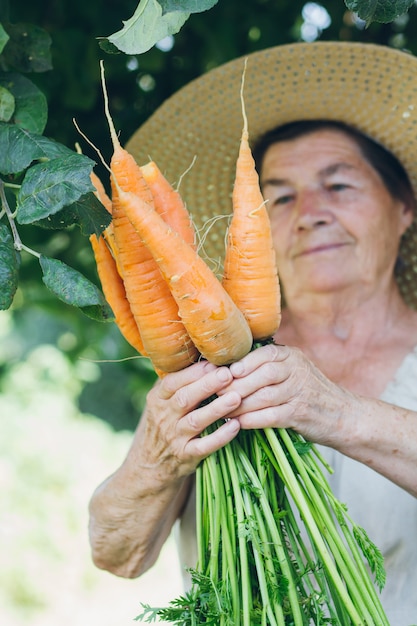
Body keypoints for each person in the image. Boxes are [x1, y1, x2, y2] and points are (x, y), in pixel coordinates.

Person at [88, 42, 417, 624]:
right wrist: (158, 458)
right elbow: (117, 554)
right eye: (280, 196)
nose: (308, 211)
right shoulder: (207, 365)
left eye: (338, 186)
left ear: (404, 207)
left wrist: (338, 413)